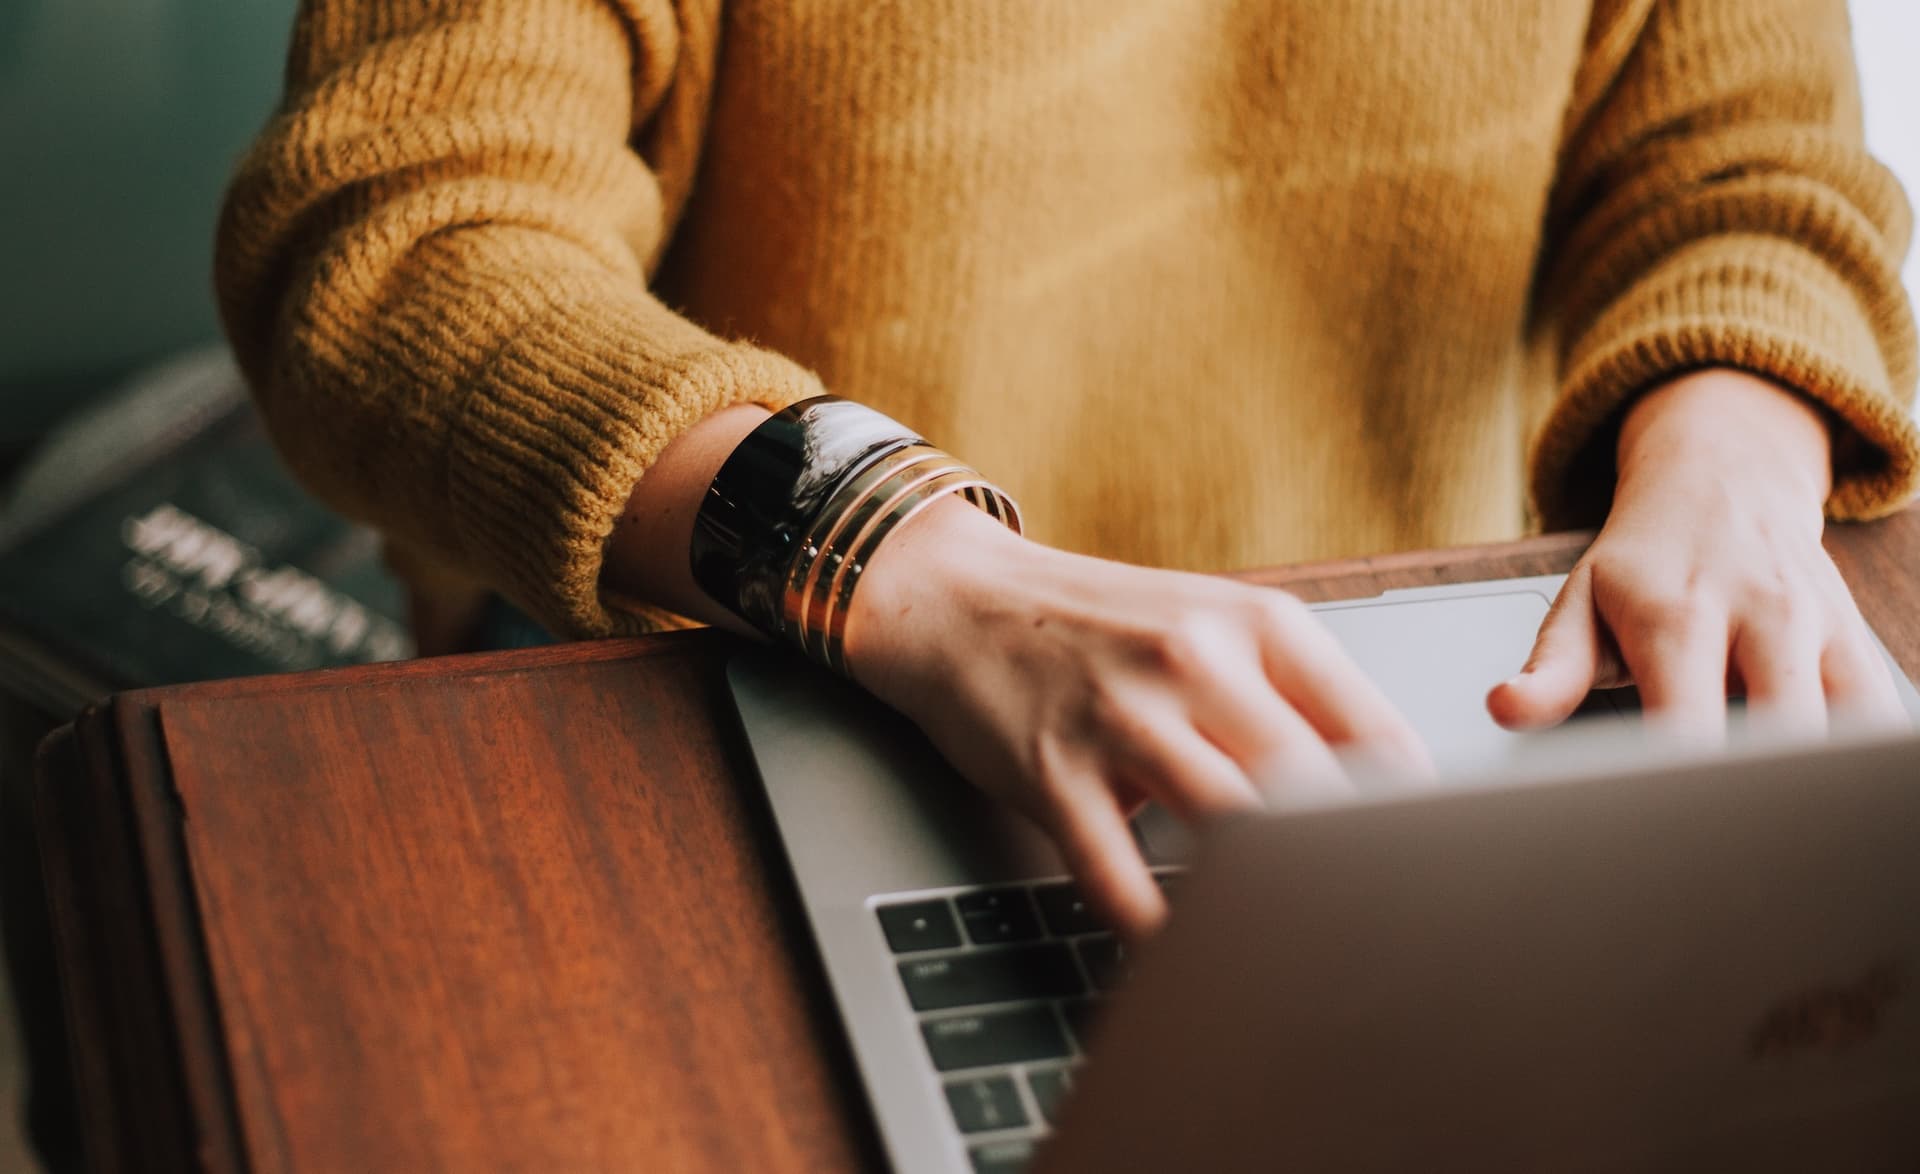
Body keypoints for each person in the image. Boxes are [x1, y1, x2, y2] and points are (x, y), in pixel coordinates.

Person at [216, 0, 1918, 939]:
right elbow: (398, 239)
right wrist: (913, 561)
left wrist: (1733, 458)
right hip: (750, 663)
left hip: (1414, 717)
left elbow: (1747, 154)